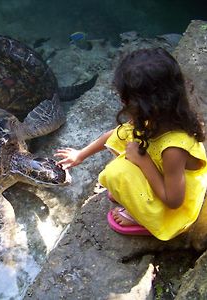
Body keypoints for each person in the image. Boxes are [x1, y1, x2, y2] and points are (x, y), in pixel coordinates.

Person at [55, 47, 207, 240]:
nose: (121, 100)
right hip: (164, 173)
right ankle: (138, 195)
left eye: (124, 97)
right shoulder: (162, 115)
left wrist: (142, 162)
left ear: (144, 105)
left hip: (176, 207)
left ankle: (142, 217)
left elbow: (174, 201)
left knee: (116, 172)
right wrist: (80, 155)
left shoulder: (174, 149)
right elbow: (116, 134)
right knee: (126, 138)